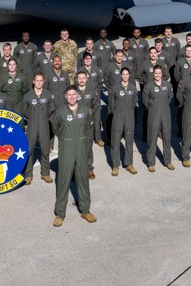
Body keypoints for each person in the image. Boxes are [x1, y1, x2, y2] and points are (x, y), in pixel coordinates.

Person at [51, 87, 97, 227]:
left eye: (74, 94)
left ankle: (85, 210)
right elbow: (56, 128)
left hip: (81, 147)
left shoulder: (85, 110)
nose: (71, 97)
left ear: (77, 95)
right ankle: (60, 213)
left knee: (83, 178)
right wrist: (67, 139)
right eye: (69, 95)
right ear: (65, 96)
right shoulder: (60, 112)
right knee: (64, 179)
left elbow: (89, 126)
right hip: (67, 148)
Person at [21, 73, 53, 185]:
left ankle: (45, 173)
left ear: (43, 81)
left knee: (45, 149)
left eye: (41, 80)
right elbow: (24, 110)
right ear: (33, 82)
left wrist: (43, 116)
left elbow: (51, 109)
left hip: (44, 123)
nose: (39, 82)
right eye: (37, 80)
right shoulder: (28, 96)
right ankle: (28, 174)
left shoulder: (48, 95)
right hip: (32, 124)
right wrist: (32, 117)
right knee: (29, 150)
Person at [143, 66, 175, 172]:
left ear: (162, 74)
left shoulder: (167, 85)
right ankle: (151, 162)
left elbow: (170, 96)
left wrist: (164, 105)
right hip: (153, 114)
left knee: (167, 137)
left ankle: (168, 161)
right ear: (153, 74)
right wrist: (153, 107)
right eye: (156, 73)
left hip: (165, 113)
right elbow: (145, 100)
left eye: (159, 73)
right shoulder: (149, 86)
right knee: (152, 138)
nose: (157, 75)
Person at [108, 68, 138, 176]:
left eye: (127, 74)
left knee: (129, 141)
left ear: (129, 76)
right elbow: (111, 104)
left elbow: (135, 102)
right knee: (115, 141)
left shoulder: (133, 88)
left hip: (129, 117)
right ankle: (115, 165)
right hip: (118, 117)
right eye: (123, 74)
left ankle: (129, 163)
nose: (125, 76)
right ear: (121, 75)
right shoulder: (115, 89)